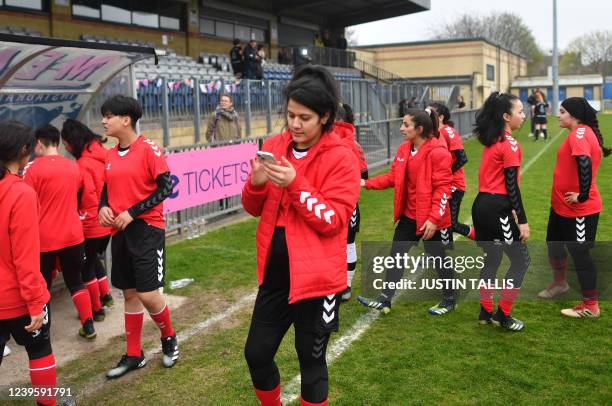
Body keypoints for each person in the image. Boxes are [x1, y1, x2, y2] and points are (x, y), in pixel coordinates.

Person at [242, 65, 360, 406]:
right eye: (290, 115)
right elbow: (252, 207)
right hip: (276, 277)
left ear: (325, 117)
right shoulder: (275, 145)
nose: (294, 124)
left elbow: (333, 220)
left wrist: (295, 184)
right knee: (257, 353)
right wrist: (256, 184)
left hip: (319, 281)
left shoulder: (342, 157)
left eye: (304, 117)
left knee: (311, 363)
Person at [98, 95, 179, 379]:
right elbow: (106, 189)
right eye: (103, 116)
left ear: (126, 119)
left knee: (147, 293)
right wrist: (103, 207)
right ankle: (134, 355)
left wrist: (132, 212)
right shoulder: (108, 155)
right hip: (120, 230)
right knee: (129, 293)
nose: (103, 121)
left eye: (108, 115)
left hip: (147, 230)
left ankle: (169, 338)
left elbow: (165, 188)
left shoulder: (149, 149)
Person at [357, 109, 456, 316]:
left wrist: (433, 219)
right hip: (409, 216)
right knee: (396, 256)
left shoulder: (438, 152)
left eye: (406, 125)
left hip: (431, 220)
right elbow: (393, 177)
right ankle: (385, 299)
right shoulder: (404, 149)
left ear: (419, 129)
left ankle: (449, 298)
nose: (401, 128)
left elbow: (444, 188)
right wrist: (366, 183)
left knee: (437, 258)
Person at [0, 120, 57, 406]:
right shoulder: (20, 192)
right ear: (23, 150)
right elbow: (25, 256)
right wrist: (35, 302)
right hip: (17, 298)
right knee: (40, 349)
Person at [24, 124, 97, 339]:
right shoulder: (73, 167)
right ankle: (88, 324)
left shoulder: (32, 169)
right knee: (75, 280)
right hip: (73, 235)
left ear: (39, 143)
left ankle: (44, 331)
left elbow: (25, 203)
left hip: (44, 238)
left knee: (42, 285)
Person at [539, 97, 610, 318]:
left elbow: (584, 162)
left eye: (562, 111)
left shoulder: (580, 133)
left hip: (579, 210)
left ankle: (591, 306)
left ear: (575, 115)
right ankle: (560, 283)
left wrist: (583, 195)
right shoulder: (578, 132)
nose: (557, 115)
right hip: (560, 206)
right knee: (554, 244)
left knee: (580, 254)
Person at [471, 92, 530, 332]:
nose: (523, 116)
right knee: (521, 260)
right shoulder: (510, 143)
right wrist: (522, 220)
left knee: (492, 258)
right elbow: (512, 186)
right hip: (496, 208)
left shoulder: (493, 139)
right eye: (519, 112)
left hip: (481, 205)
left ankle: (486, 311)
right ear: (506, 117)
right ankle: (502, 316)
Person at [61, 119, 114, 313]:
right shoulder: (102, 153)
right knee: (92, 260)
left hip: (91, 222)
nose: (65, 147)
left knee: (86, 267)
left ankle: (96, 310)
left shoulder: (82, 164)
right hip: (107, 222)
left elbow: (86, 194)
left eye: (65, 143)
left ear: (72, 141)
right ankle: (106, 296)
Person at [335, 103, 368, 301]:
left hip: (341, 204)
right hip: (349, 203)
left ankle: (344, 285)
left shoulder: (346, 144)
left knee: (344, 245)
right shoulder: (354, 144)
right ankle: (344, 286)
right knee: (347, 244)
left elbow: (363, 175)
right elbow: (365, 175)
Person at [427, 102, 475, 240]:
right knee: (443, 222)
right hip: (443, 184)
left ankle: (483, 238)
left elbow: (462, 158)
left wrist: (446, 175)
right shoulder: (433, 133)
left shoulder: (448, 132)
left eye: (431, 113)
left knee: (449, 223)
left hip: (454, 185)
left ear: (440, 117)